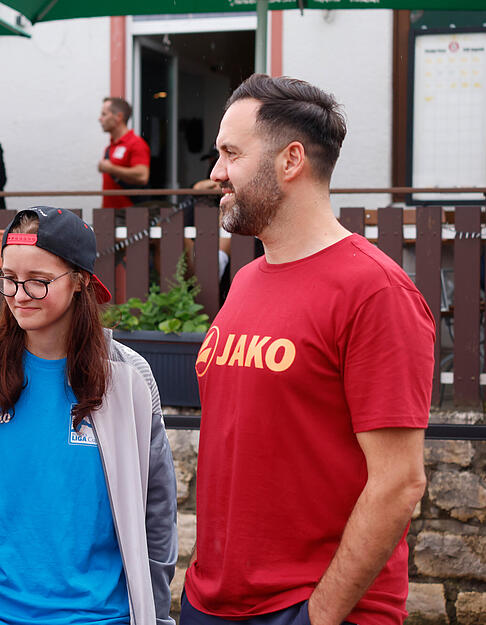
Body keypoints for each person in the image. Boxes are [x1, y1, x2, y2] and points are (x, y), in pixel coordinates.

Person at [183, 75, 435, 625]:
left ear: (290, 159)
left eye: (230, 153)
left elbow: (399, 480)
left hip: (311, 607)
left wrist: (319, 615)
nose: (216, 173)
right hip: (212, 600)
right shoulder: (248, 280)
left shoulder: (376, 292)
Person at [0, 206, 178, 625]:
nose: (18, 295)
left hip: (98, 616)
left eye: (38, 281)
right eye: (8, 279)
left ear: (80, 281)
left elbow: (157, 514)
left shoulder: (129, 379)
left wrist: (156, 613)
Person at [98, 96, 150, 209]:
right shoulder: (110, 147)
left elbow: (142, 176)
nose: (100, 118)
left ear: (119, 117)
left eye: (104, 114)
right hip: (109, 215)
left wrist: (111, 169)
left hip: (129, 216)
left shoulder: (136, 143)